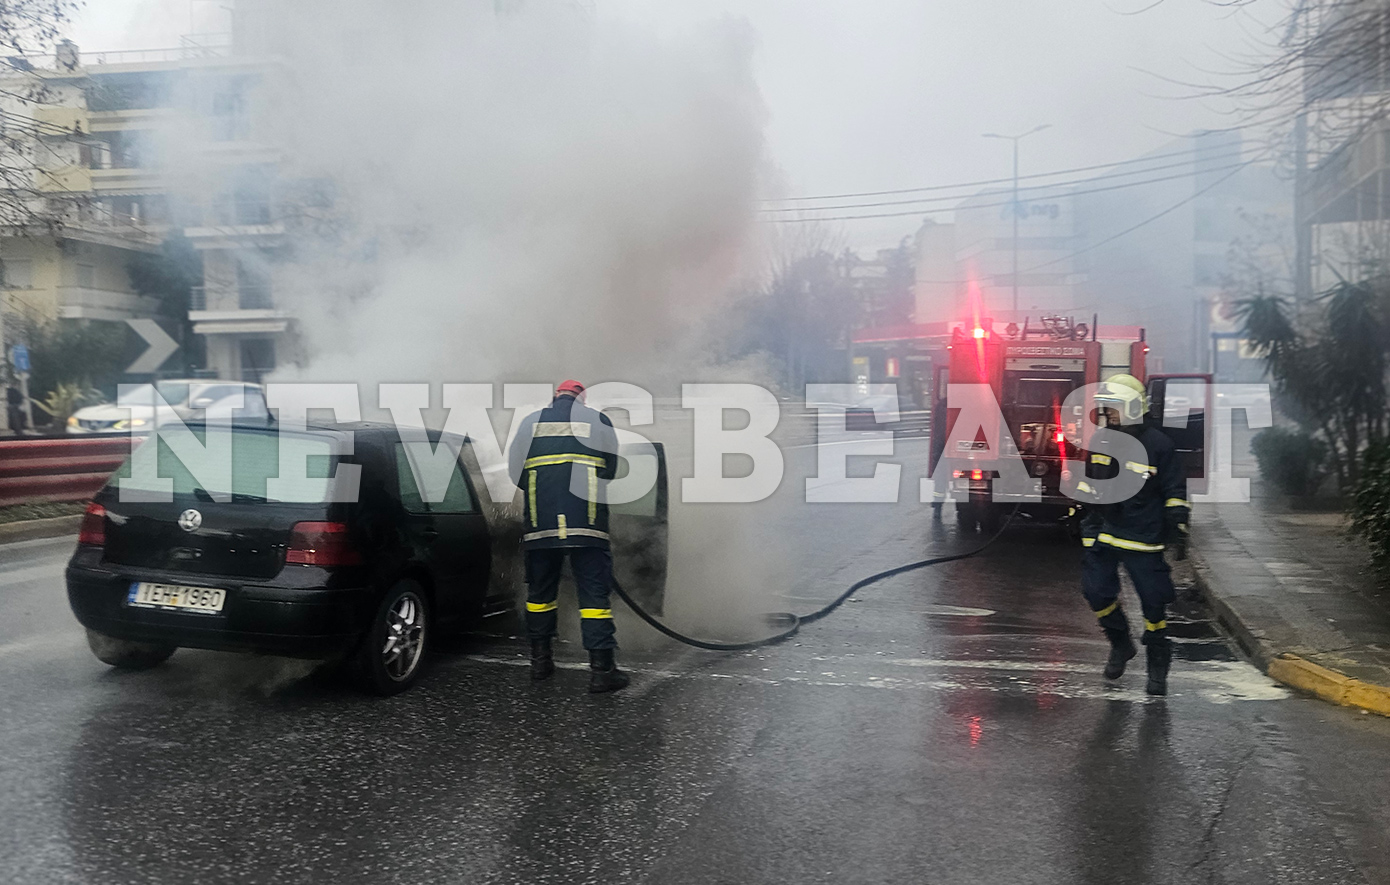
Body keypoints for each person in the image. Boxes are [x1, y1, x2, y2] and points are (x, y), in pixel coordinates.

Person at [507, 380, 629, 693]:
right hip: (587, 525)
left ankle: (540, 664)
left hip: (541, 524)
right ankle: (602, 672)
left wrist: (543, 488)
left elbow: (515, 473)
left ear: (555, 397)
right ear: (582, 399)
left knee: (540, 597)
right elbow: (611, 469)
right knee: (593, 600)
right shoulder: (598, 421)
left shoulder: (529, 423)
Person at [1074, 374, 1189, 696]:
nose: (1108, 414)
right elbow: (1090, 483)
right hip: (1103, 533)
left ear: (1133, 408)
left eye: (1114, 408)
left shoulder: (1159, 446)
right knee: (1096, 593)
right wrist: (1082, 507)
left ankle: (1157, 662)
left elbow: (1174, 489)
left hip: (1143, 537)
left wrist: (1178, 522)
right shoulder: (1101, 441)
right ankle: (1120, 643)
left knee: (1154, 604)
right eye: (1106, 408)